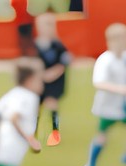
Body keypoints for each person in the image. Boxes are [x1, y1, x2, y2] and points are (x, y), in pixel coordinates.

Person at [80, 23, 126, 166]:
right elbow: (98, 83)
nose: (124, 43)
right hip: (108, 107)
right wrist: (119, 89)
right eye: (119, 39)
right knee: (101, 138)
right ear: (110, 41)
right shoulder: (105, 60)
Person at [34, 12, 71, 147]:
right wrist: (40, 75)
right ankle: (34, 132)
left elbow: (63, 63)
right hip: (39, 83)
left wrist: (51, 74)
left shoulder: (58, 46)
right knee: (36, 107)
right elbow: (32, 63)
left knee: (52, 104)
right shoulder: (35, 45)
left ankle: (55, 133)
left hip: (54, 83)